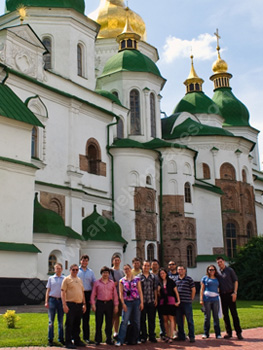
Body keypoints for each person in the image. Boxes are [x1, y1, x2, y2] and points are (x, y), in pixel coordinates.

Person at [116, 264, 144, 346]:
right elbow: (120, 293)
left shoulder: (137, 279)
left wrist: (142, 302)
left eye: (127, 269)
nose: (126, 270)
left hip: (136, 301)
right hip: (127, 302)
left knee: (136, 321)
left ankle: (136, 338)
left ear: (130, 269)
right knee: (124, 321)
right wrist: (123, 304)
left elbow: (140, 291)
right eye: (125, 269)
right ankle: (120, 340)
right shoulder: (122, 281)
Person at [90, 266, 119, 345]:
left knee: (109, 322)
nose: (105, 274)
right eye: (104, 273)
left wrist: (116, 305)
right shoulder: (97, 283)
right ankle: (98, 339)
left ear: (109, 274)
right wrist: (93, 304)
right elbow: (93, 295)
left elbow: (115, 295)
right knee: (99, 322)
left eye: (107, 273)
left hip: (109, 304)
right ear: (101, 274)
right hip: (100, 303)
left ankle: (108, 339)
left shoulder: (112, 283)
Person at [216, 256, 243, 340]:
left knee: (234, 314)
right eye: (218, 263)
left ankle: (238, 332)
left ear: (224, 261)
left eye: (221, 262)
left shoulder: (230, 270)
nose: (220, 264)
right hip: (222, 295)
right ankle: (229, 332)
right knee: (225, 315)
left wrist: (235, 292)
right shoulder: (218, 273)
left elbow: (235, 281)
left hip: (230, 293)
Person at [61, 264, 86, 349]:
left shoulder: (79, 280)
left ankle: (77, 340)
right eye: (73, 270)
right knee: (69, 324)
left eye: (76, 270)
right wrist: (64, 305)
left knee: (77, 324)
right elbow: (63, 292)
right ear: (70, 270)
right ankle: (68, 342)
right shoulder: (66, 279)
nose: (75, 271)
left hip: (79, 304)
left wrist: (84, 304)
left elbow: (82, 292)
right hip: (70, 304)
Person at [158, 268, 180, 343]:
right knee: (165, 319)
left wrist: (178, 300)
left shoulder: (171, 281)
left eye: (163, 273)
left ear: (166, 274)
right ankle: (167, 335)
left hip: (170, 300)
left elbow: (176, 291)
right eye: (161, 274)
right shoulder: (159, 282)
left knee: (171, 318)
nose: (162, 275)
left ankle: (171, 335)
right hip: (162, 302)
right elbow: (158, 293)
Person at [45, 263, 65, 346]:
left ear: (62, 269)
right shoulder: (51, 278)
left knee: (60, 321)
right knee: (51, 321)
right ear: (54, 270)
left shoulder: (64, 278)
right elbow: (48, 290)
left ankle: (61, 338)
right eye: (56, 268)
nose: (58, 270)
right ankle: (50, 339)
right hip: (52, 300)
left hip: (61, 301)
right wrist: (46, 301)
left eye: (59, 268)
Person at [77, 255, 96, 344]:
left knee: (86, 317)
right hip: (78, 294)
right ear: (80, 261)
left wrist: (93, 297)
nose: (84, 262)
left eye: (86, 261)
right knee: (77, 316)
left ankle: (86, 337)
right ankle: (76, 336)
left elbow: (93, 284)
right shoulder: (77, 271)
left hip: (87, 293)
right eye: (83, 260)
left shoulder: (91, 272)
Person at [175, 265, 196, 343]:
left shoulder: (189, 279)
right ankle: (181, 336)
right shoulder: (175, 280)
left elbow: (193, 290)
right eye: (179, 269)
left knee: (189, 320)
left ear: (185, 270)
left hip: (187, 302)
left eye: (181, 269)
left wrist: (191, 299)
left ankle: (191, 336)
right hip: (179, 303)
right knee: (179, 321)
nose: (180, 271)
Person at [139, 260, 158, 343]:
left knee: (151, 319)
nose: (146, 267)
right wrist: (140, 301)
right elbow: (138, 290)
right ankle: (143, 335)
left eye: (147, 265)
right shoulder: (139, 277)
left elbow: (155, 289)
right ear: (142, 267)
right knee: (142, 320)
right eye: (144, 265)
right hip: (143, 302)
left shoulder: (153, 277)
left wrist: (156, 299)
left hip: (151, 300)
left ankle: (152, 335)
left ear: (150, 267)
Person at [200, 265, 221, 339]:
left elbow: (219, 288)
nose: (211, 271)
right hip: (207, 299)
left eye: (213, 269)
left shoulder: (217, 278)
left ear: (215, 271)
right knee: (207, 317)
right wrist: (201, 299)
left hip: (215, 299)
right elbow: (202, 289)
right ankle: (206, 333)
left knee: (216, 316)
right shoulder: (205, 278)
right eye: (210, 269)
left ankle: (218, 333)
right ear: (207, 270)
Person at [110, 254, 125, 340]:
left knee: (118, 315)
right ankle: (110, 332)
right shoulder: (110, 271)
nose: (116, 262)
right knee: (112, 315)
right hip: (112, 296)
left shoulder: (122, 272)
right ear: (112, 261)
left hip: (120, 296)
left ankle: (116, 332)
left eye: (118, 260)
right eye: (115, 260)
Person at [151, 259, 165, 339]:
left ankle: (163, 332)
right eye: (153, 264)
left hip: (161, 298)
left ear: (158, 266)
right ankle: (152, 333)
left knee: (162, 317)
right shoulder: (149, 274)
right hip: (151, 298)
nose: (155, 266)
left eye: (156, 264)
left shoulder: (161, 275)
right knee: (152, 317)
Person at [167, 260, 178, 339]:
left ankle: (178, 331)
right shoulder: (167, 275)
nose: (171, 266)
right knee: (170, 316)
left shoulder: (179, 275)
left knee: (179, 316)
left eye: (173, 264)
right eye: (170, 264)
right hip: (169, 298)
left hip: (177, 297)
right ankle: (172, 332)